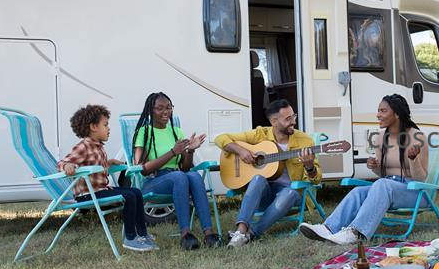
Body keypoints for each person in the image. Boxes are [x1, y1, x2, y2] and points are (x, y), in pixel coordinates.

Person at [299, 94, 428, 244]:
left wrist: (413, 159)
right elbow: (384, 176)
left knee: (382, 184)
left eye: (383, 111)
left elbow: (421, 179)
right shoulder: (381, 138)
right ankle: (328, 228)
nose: (378, 115)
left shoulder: (417, 137)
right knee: (358, 192)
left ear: (397, 114)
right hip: (389, 188)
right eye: (378, 110)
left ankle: (355, 232)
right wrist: (375, 167)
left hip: (414, 192)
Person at [215, 99, 322, 248]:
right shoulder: (261, 134)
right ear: (274, 121)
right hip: (263, 194)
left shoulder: (305, 141)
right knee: (258, 178)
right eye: (288, 119)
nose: (293, 122)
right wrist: (241, 151)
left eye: (294, 116)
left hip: (289, 196)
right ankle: (241, 231)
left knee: (290, 192)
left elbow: (316, 180)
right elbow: (220, 138)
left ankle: (251, 234)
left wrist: (309, 167)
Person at [58, 104, 158, 252]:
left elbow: (95, 165)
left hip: (101, 190)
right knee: (129, 196)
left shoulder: (99, 147)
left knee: (136, 192)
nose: (108, 128)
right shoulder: (84, 146)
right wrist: (67, 166)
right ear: (93, 127)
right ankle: (130, 238)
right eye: (105, 125)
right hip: (88, 194)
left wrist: (108, 163)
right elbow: (63, 162)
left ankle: (142, 234)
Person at [132, 92, 219, 250]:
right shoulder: (144, 132)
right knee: (180, 176)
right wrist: (172, 152)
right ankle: (186, 234)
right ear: (151, 110)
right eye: (160, 108)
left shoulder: (176, 131)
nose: (166, 112)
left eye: (168, 107)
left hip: (177, 177)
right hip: (153, 181)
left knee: (194, 175)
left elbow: (185, 167)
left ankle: (209, 234)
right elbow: (142, 169)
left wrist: (190, 150)